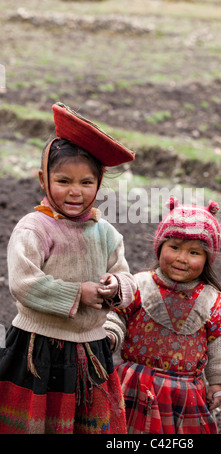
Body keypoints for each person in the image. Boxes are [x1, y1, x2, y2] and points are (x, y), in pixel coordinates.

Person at [0, 102, 136, 434]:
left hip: (91, 349)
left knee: (85, 424)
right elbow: (24, 283)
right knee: (37, 422)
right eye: (63, 180)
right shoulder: (34, 228)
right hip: (38, 348)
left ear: (99, 183)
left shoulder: (105, 232)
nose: (75, 191)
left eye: (86, 182)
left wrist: (115, 287)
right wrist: (78, 292)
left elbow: (128, 277)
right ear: (43, 180)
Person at [105, 196, 221, 434]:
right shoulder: (139, 285)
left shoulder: (213, 301)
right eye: (174, 247)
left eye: (194, 252)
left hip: (184, 392)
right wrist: (110, 335)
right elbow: (117, 315)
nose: (182, 258)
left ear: (207, 259)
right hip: (134, 382)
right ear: (160, 247)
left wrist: (217, 385)